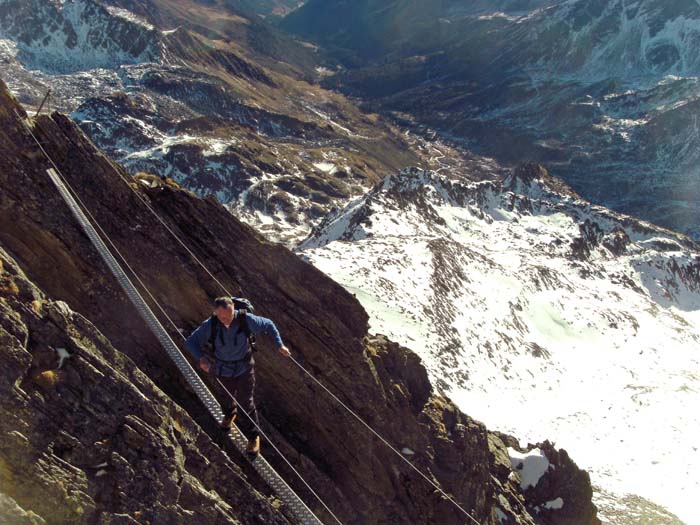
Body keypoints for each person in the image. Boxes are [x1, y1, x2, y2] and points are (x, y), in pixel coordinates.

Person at [185, 296, 291, 455]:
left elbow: (268, 324)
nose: (227, 320)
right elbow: (190, 342)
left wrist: (279, 345)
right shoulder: (211, 324)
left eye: (229, 316)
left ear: (233, 309)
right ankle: (229, 414)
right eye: (222, 317)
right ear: (215, 313)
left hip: (244, 368)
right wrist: (202, 358)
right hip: (222, 369)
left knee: (245, 403)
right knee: (225, 397)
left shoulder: (245, 320)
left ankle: (253, 437)